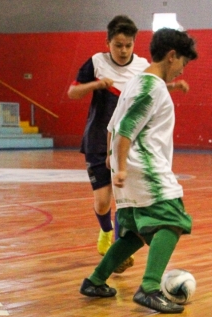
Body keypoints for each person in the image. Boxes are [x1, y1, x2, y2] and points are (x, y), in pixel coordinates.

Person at [79, 28, 198, 314]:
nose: (181, 69)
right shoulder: (152, 87)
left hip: (127, 169)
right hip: (145, 168)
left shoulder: (136, 83)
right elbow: (126, 127)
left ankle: (95, 281)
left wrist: (113, 162)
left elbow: (112, 125)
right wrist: (118, 167)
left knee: (133, 232)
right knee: (173, 220)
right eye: (183, 62)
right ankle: (150, 287)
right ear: (171, 56)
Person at [67, 16, 148, 274]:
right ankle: (106, 231)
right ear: (108, 43)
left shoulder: (143, 67)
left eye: (128, 45)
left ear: (134, 43)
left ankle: (117, 249)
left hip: (128, 143)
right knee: (103, 202)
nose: (123, 50)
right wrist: (97, 85)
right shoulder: (96, 63)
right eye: (118, 45)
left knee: (125, 199)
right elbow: (73, 92)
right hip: (97, 141)